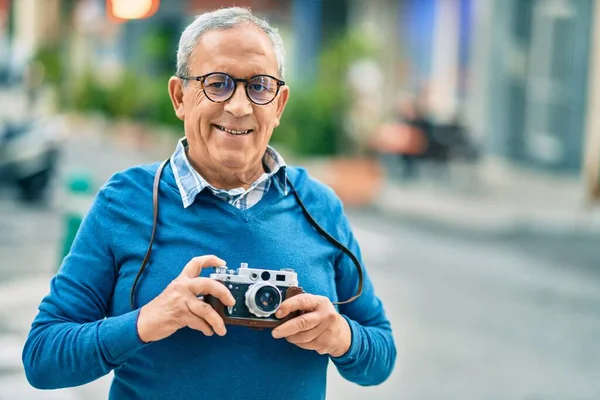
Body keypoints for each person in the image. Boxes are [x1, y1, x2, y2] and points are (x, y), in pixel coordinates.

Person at [22, 7, 396, 399]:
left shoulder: (320, 207)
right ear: (179, 96)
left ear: (279, 104)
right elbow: (43, 357)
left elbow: (381, 355)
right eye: (217, 84)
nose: (238, 106)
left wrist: (342, 336)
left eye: (260, 86)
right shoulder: (125, 201)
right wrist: (147, 321)